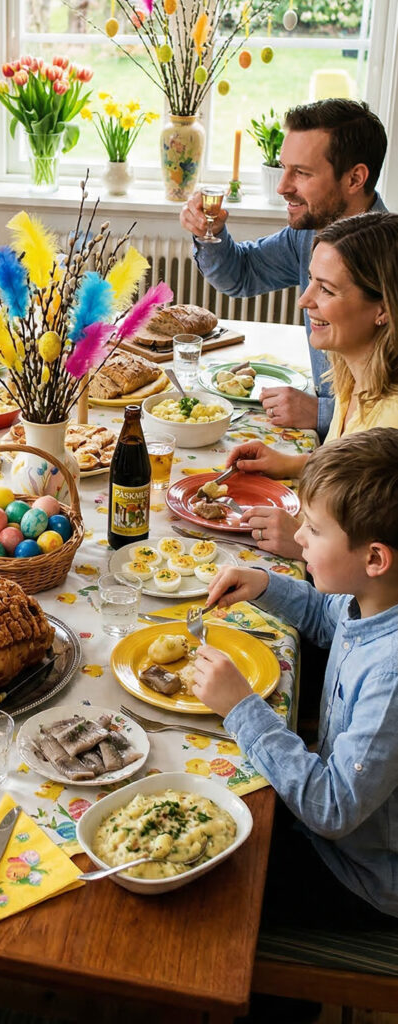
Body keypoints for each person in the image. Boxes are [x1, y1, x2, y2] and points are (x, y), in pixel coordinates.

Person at [193, 428, 398, 925]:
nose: (298, 535)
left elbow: (332, 808)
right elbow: (330, 617)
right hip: (338, 832)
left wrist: (242, 708)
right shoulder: (374, 600)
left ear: (374, 558)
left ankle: (276, 1003)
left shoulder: (392, 676)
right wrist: (264, 584)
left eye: (313, 528)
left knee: (206, 883)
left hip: (360, 874)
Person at [181, 99, 388, 439]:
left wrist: (322, 412)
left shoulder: (389, 262)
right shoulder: (307, 235)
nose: (282, 186)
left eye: (302, 173)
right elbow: (240, 274)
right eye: (284, 168)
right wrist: (212, 233)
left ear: (355, 178)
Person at [225, 211, 398, 558]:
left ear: (383, 308)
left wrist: (304, 544)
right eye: (310, 281)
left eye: (327, 290)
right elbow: (362, 484)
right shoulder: (353, 377)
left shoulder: (391, 419)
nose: (305, 301)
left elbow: (382, 568)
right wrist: (293, 463)